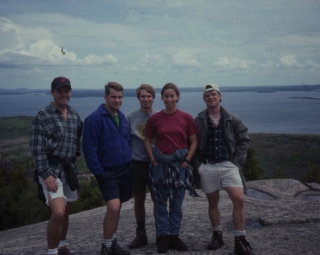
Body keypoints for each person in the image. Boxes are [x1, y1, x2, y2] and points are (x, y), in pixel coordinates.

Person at [191, 84, 254, 255]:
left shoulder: (232, 119)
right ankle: (217, 235)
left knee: (239, 199)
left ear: (220, 96)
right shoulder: (198, 121)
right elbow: (191, 144)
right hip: (207, 165)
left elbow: (243, 140)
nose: (211, 97)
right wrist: (198, 166)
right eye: (207, 95)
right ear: (204, 99)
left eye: (213, 94)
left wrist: (237, 162)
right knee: (213, 201)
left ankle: (240, 239)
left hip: (228, 165)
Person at [30, 76, 83, 255]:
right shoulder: (43, 116)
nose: (63, 94)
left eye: (66, 91)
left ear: (70, 92)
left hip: (69, 170)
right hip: (51, 170)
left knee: (66, 211)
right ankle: (52, 252)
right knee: (58, 212)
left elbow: (77, 143)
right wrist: (46, 174)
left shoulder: (75, 115)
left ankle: (62, 246)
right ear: (52, 92)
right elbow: (37, 148)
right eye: (59, 91)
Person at [144, 83, 198, 254]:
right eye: (166, 96)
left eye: (172, 96)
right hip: (160, 165)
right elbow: (147, 140)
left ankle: (174, 234)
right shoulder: (155, 119)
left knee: (177, 203)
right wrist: (153, 159)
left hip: (179, 166)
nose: (169, 99)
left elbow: (193, 141)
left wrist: (186, 161)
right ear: (162, 98)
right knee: (160, 202)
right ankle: (163, 236)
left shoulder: (186, 117)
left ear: (177, 97)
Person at [82, 82, 132, 255]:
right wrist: (98, 172)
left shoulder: (123, 117)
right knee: (114, 207)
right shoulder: (94, 119)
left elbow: (127, 142)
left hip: (124, 170)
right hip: (107, 172)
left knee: (117, 207)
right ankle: (106, 246)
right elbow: (89, 149)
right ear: (105, 97)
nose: (117, 100)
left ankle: (112, 242)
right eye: (113, 97)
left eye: (120, 97)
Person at [126, 84, 158, 249]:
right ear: (138, 98)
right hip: (137, 164)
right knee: (139, 199)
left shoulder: (160, 116)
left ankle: (161, 233)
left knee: (157, 199)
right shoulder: (130, 118)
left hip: (156, 164)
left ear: (153, 98)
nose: (146, 99)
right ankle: (141, 234)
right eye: (143, 96)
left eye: (149, 96)